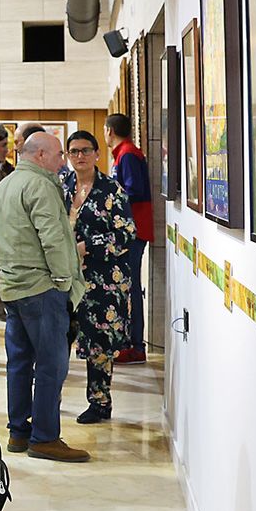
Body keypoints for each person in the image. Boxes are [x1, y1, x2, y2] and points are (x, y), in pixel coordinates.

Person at [0, 130, 90, 462]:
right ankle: (45, 437)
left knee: (19, 362)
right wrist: (63, 281)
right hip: (41, 288)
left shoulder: (5, 186)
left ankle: (19, 432)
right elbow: (53, 237)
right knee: (51, 365)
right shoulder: (41, 186)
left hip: (13, 287)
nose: (64, 161)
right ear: (41, 155)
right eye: (60, 154)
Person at [59, 130, 136, 424]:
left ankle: (100, 402)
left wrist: (87, 246)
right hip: (66, 277)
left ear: (97, 154)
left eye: (85, 150)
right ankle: (51, 399)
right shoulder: (61, 186)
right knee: (59, 338)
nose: (80, 156)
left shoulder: (111, 189)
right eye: (74, 151)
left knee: (99, 343)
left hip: (104, 279)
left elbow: (126, 234)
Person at [104, 114, 153, 364]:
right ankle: (127, 342)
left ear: (109, 131)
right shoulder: (122, 154)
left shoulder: (128, 154)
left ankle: (136, 346)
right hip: (127, 230)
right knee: (126, 286)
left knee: (130, 288)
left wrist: (109, 196)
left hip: (133, 230)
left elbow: (134, 190)